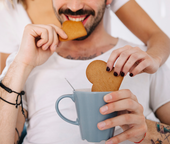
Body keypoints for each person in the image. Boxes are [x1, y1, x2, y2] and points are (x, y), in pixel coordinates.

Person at [0, 0, 170, 144]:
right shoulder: (25, 61)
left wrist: (146, 131)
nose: (74, 7)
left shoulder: (141, 61)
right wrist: (21, 64)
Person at [0, 0, 170, 76]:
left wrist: (154, 60)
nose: (75, 7)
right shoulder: (8, 9)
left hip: (103, 79)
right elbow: (7, 79)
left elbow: (156, 36)